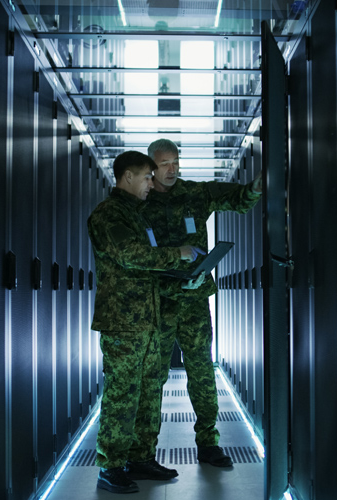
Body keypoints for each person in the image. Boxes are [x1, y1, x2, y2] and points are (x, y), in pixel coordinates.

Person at [87, 150, 204, 494]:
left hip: (150, 320)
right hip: (123, 324)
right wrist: (178, 253)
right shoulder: (108, 215)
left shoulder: (138, 216)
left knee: (150, 392)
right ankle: (110, 465)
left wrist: (184, 277)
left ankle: (140, 457)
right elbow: (131, 256)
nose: (152, 184)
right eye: (146, 178)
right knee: (122, 394)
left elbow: (149, 270)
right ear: (127, 178)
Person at [140, 138, 262, 467]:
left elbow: (238, 199)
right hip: (158, 303)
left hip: (193, 301)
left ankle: (208, 443)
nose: (172, 169)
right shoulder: (140, 201)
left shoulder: (195, 193)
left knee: (202, 372)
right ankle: (144, 452)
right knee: (152, 377)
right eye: (165, 163)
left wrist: (259, 186)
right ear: (151, 166)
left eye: (176, 162)